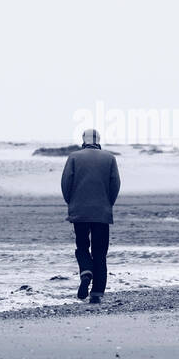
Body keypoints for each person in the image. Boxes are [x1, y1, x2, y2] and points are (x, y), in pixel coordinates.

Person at [60, 128, 120, 304]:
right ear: (99, 141)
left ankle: (86, 271)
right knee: (100, 252)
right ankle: (97, 292)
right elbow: (115, 184)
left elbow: (66, 183)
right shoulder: (109, 158)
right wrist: (108, 203)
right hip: (102, 212)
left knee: (82, 246)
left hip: (80, 211)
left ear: (83, 140)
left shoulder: (74, 157)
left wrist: (71, 202)